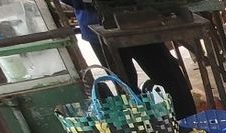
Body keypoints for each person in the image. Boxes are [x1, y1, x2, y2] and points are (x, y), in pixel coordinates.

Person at [65, 0, 197, 119]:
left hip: (139, 20)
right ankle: (148, 129)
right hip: (97, 24)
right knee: (127, 88)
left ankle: (190, 124)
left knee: (169, 76)